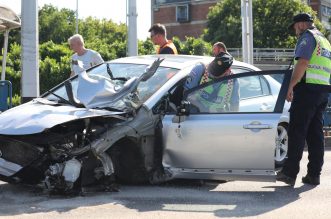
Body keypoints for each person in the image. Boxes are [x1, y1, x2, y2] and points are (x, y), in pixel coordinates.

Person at [276, 13, 331, 186]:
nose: (294, 31)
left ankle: (289, 173)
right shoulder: (324, 40)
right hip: (322, 90)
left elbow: (303, 62)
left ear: (300, 24)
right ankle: (314, 174)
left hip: (307, 90)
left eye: (294, 27)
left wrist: (291, 85)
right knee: (316, 134)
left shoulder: (307, 37)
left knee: (297, 131)